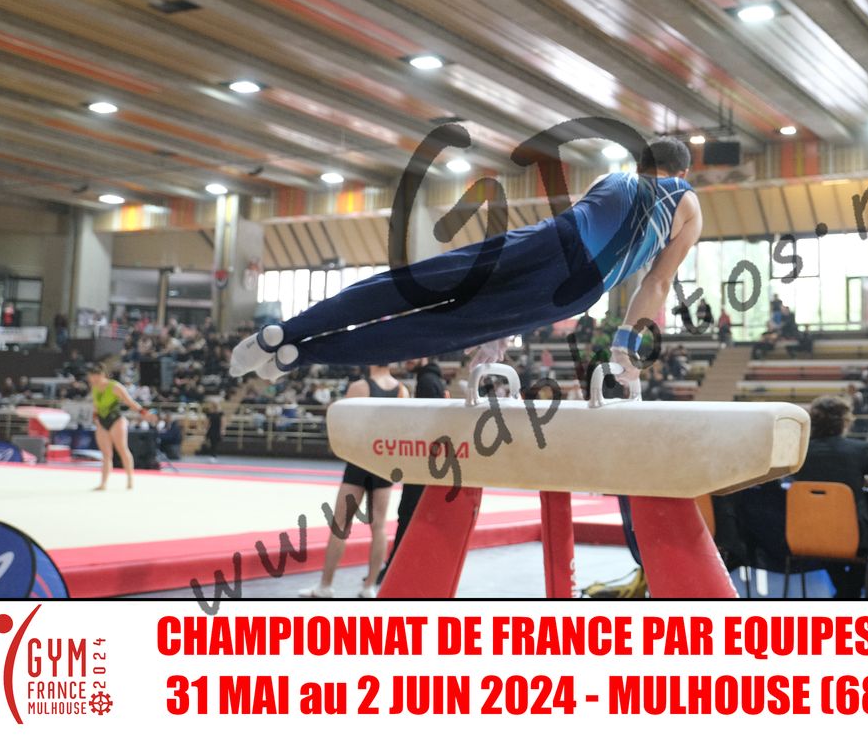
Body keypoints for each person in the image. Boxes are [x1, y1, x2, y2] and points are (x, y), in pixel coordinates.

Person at [231, 138, 701, 386]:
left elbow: (571, 237)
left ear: (642, 164)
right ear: (682, 173)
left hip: (546, 238)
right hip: (576, 288)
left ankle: (283, 334)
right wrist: (623, 349)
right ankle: (301, 356)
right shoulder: (687, 201)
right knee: (434, 331)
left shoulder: (613, 178)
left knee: (412, 282)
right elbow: (656, 284)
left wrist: (504, 328)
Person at [303, 364, 411, 599]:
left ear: (370, 360)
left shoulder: (360, 387)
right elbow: (403, 430)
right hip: (384, 461)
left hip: (360, 460)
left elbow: (343, 425)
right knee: (379, 526)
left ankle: (325, 586)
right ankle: (369, 587)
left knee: (340, 524)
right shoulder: (402, 391)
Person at [790, 396, 868, 598]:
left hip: (805, 534)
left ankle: (845, 594)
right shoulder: (857, 450)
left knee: (828, 546)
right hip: (852, 537)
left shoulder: (799, 451)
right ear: (845, 422)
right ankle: (848, 594)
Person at [377, 357, 449, 586]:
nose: (407, 360)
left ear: (425, 357)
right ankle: (411, 566)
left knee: (408, 514)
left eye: (413, 356)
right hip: (431, 461)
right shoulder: (433, 379)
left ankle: (395, 569)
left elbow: (427, 425)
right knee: (417, 515)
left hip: (423, 462)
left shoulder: (427, 381)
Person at [85, 364, 153, 490]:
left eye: (94, 377)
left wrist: (144, 413)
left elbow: (130, 402)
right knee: (106, 454)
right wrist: (96, 419)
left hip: (116, 420)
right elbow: (96, 405)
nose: (92, 380)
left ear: (102, 375)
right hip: (102, 421)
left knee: (122, 449)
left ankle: (130, 478)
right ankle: (103, 483)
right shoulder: (94, 388)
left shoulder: (115, 386)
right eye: (90, 377)